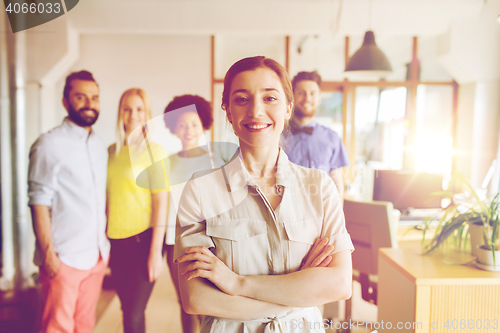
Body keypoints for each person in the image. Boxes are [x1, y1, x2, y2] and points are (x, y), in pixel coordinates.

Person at [174, 56, 354, 333]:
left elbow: (340, 284)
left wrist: (236, 283)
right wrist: (301, 290)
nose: (256, 111)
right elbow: (197, 299)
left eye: (270, 98)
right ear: (228, 111)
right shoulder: (199, 192)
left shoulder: (320, 188)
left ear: (288, 109)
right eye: (242, 99)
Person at [28, 70, 110, 333]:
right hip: (64, 258)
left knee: (85, 325)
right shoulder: (48, 145)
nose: (89, 103)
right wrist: (48, 253)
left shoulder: (99, 146)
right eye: (81, 97)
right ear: (65, 101)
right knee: (57, 327)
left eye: (94, 98)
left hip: (97, 255)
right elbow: (38, 202)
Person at [106, 88, 168, 333]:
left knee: (134, 314)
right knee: (127, 311)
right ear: (120, 113)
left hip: (143, 243)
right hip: (115, 243)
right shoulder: (111, 152)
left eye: (139, 109)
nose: (133, 114)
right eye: (127, 109)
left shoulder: (155, 152)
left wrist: (155, 253)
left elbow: (161, 203)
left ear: (147, 114)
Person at [163, 94, 225, 333]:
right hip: (176, 241)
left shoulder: (217, 159)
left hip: (212, 241)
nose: (188, 130)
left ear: (203, 124)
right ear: (174, 128)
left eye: (194, 123)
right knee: (186, 300)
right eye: (182, 124)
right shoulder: (167, 163)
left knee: (210, 300)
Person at [281, 71, 349, 198]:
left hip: (322, 212)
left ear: (319, 99)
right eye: (301, 93)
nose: (307, 98)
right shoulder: (276, 136)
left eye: (312, 93)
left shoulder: (332, 138)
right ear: (292, 97)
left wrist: (337, 217)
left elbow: (337, 186)